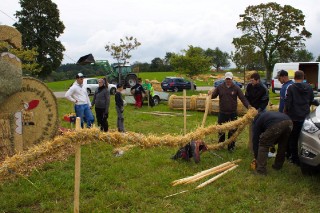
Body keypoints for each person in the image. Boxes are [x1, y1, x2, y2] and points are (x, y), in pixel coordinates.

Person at [208, 72, 250, 151]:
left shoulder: (236, 88)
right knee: (221, 130)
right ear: (225, 79)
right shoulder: (220, 87)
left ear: (232, 79)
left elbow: (243, 98)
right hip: (222, 113)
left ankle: (231, 146)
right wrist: (210, 94)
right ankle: (220, 145)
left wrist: (248, 106)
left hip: (232, 113)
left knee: (233, 130)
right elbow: (213, 96)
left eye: (229, 79)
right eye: (227, 79)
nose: (228, 81)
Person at [284, 70, 316, 165]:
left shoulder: (291, 88)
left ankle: (294, 158)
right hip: (305, 117)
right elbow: (311, 100)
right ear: (303, 77)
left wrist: (286, 112)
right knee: (304, 138)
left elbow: (288, 103)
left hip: (293, 117)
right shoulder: (309, 87)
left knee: (292, 138)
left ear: (294, 77)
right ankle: (306, 157)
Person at [245, 72, 269, 153]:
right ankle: (252, 146)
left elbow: (265, 101)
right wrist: (248, 105)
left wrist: (259, 110)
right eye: (251, 80)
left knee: (260, 128)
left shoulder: (263, 88)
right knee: (252, 127)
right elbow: (246, 96)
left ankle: (261, 147)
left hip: (260, 110)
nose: (251, 82)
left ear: (257, 80)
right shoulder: (249, 86)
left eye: (253, 81)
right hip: (251, 109)